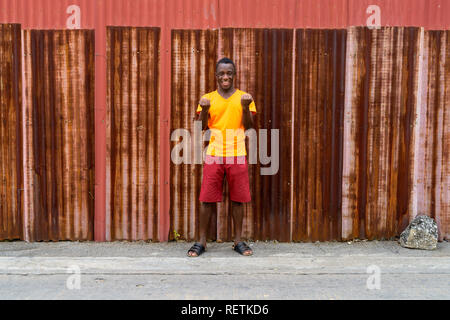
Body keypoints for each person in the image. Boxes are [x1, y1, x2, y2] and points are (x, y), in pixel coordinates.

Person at [187, 57, 256, 257]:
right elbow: (201, 127)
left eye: (229, 73)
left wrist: (245, 107)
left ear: (234, 75)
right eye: (222, 73)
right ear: (216, 76)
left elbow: (250, 127)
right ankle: (201, 242)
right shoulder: (208, 98)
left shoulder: (245, 97)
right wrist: (205, 108)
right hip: (214, 153)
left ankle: (238, 241)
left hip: (237, 153)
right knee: (207, 199)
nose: (225, 76)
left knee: (238, 199)